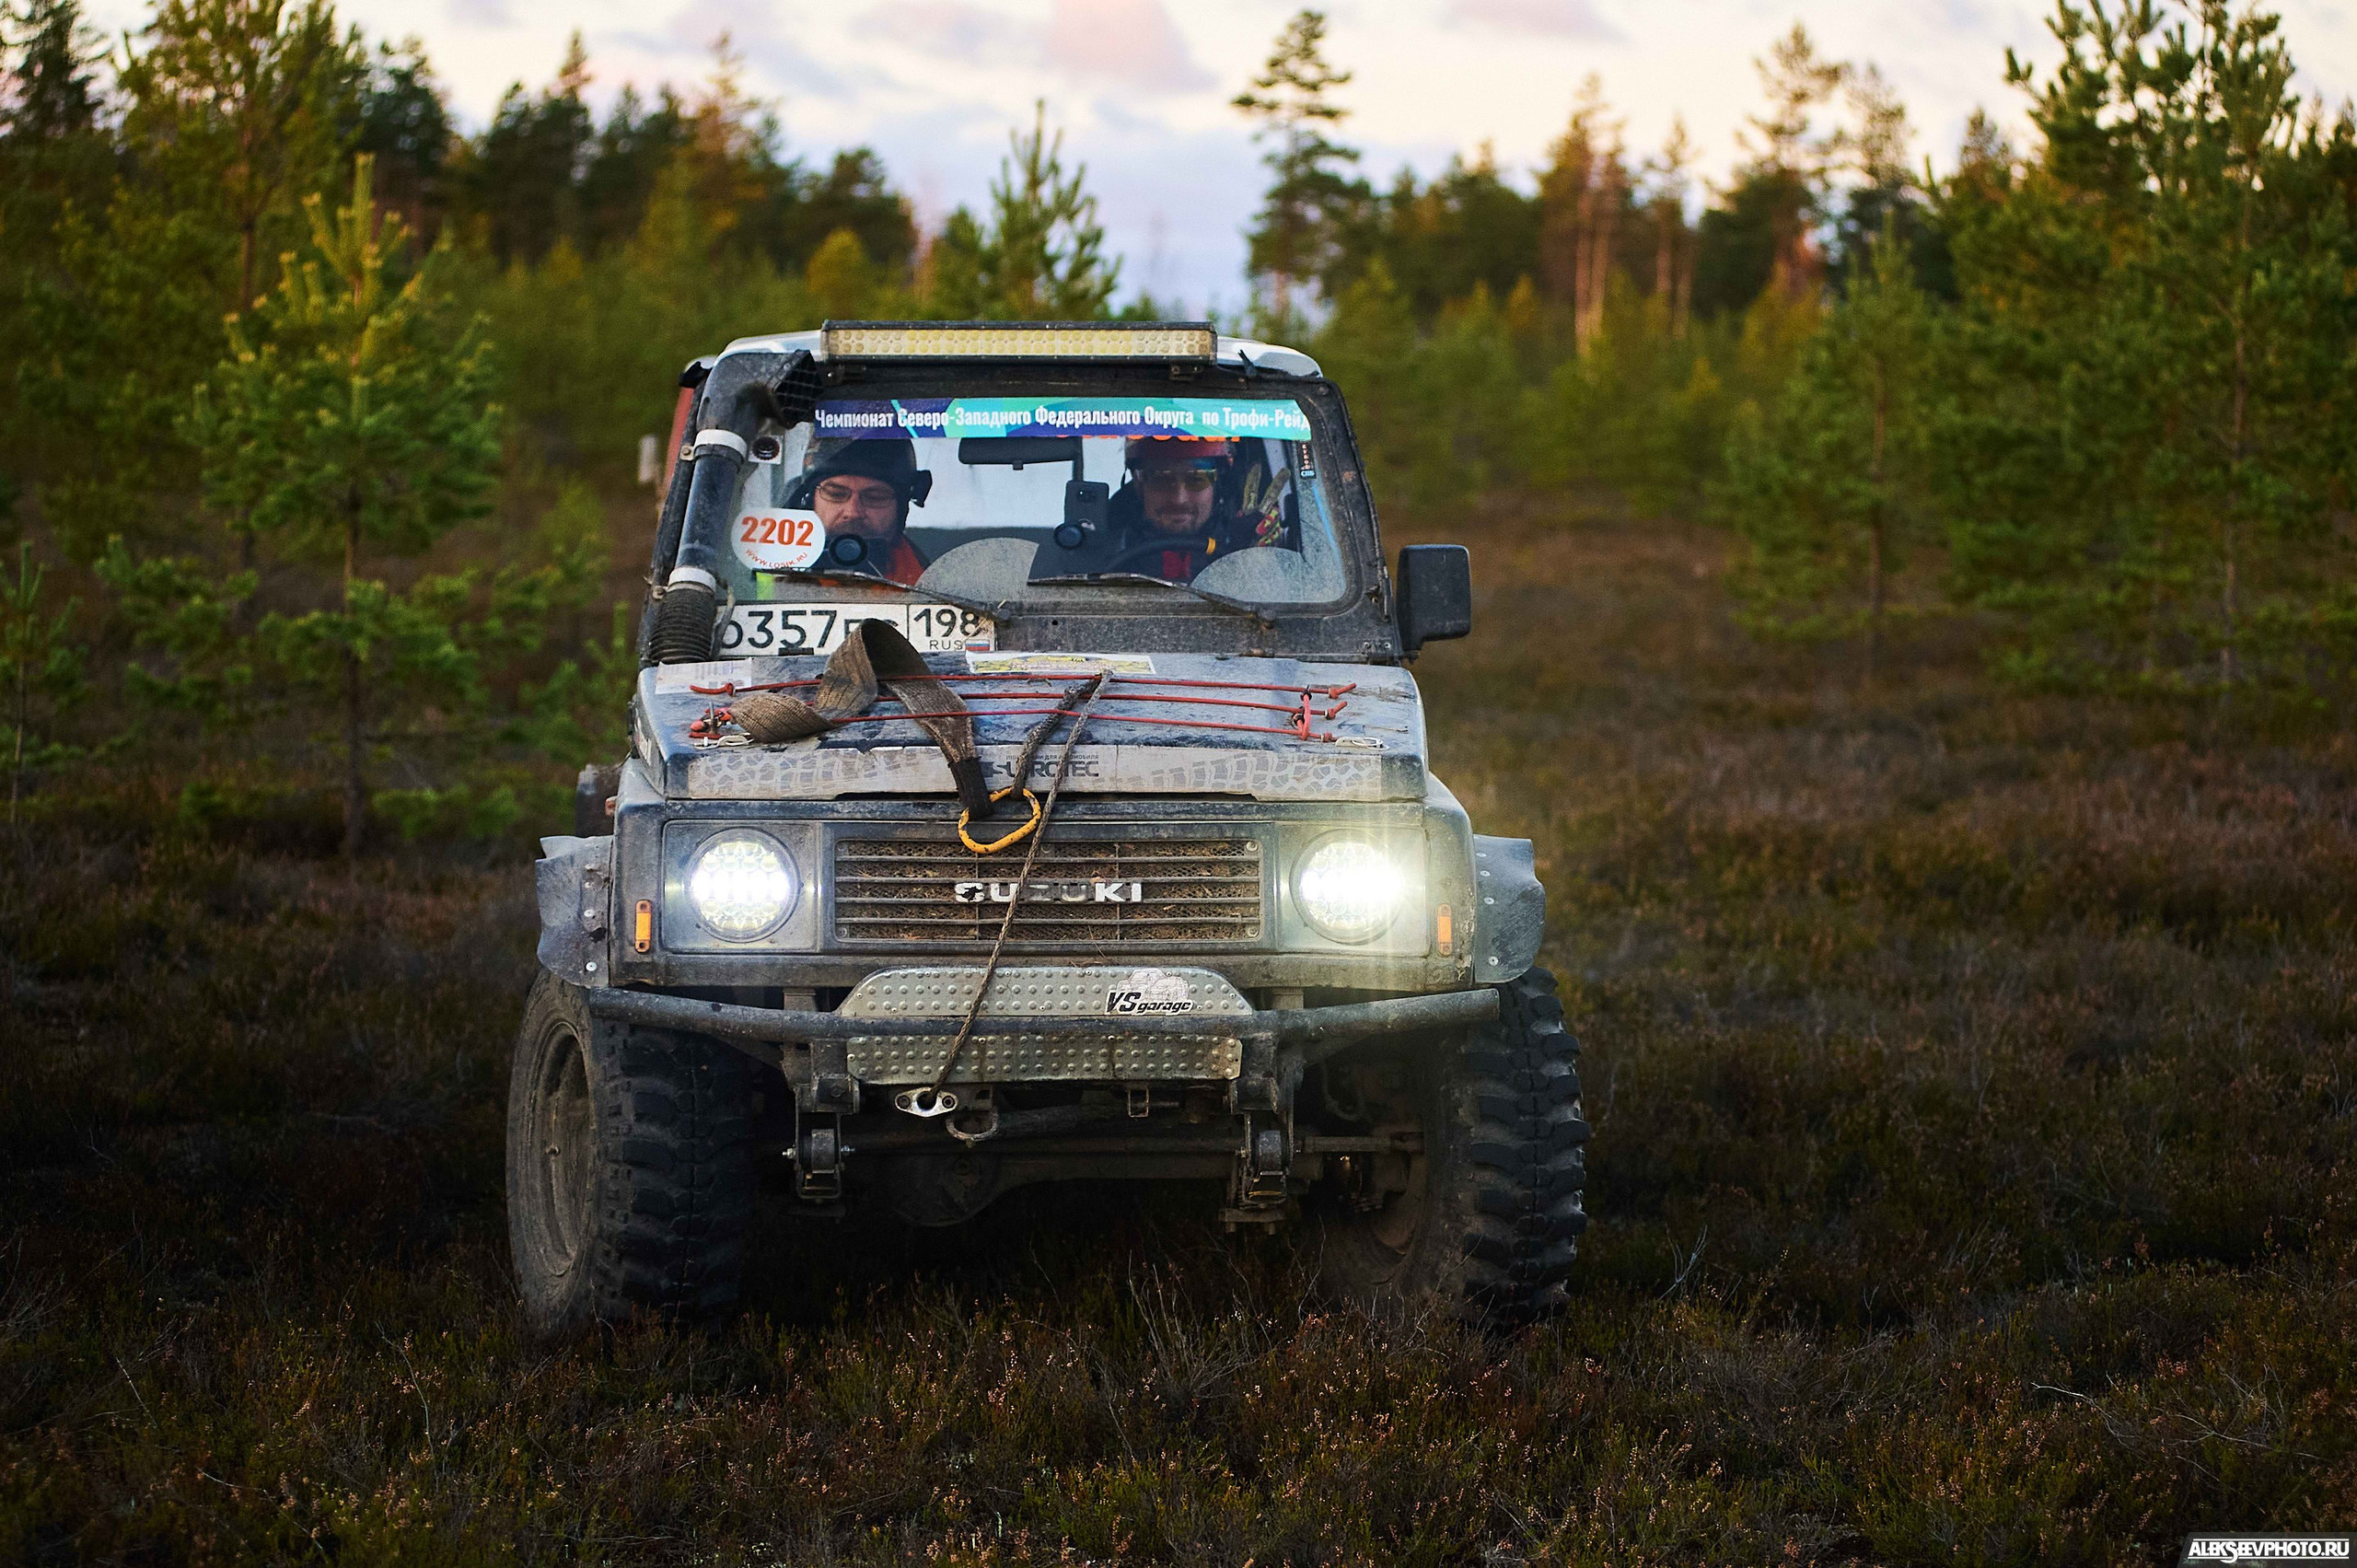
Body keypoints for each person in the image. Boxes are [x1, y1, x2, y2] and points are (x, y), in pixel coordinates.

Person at [1085, 436, 1294, 582]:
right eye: (1161, 479)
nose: (1179, 499)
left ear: (1218, 485)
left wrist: (1253, 562)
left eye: (1197, 479)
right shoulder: (1099, 551)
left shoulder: (1247, 542)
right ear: (1139, 485)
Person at [784, 437, 935, 585]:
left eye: (875, 497)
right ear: (809, 502)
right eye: (835, 494)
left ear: (901, 509)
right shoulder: (768, 570)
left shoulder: (931, 586)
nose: (853, 512)